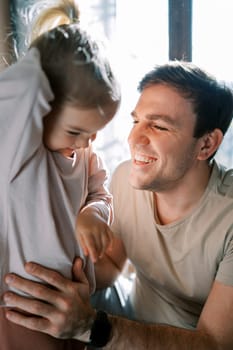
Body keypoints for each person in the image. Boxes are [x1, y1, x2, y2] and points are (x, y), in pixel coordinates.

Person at [3, 61, 233, 349]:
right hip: (131, 312)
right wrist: (64, 273)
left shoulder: (228, 218)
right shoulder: (128, 177)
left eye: (159, 126)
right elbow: (111, 265)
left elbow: (214, 343)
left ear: (207, 144)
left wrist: (90, 325)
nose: (134, 138)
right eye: (136, 121)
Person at [0, 0, 120, 349]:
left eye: (95, 132)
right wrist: (50, 54)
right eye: (75, 131)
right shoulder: (19, 153)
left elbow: (101, 195)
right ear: (41, 108)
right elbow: (16, 91)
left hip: (75, 304)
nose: (85, 143)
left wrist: (92, 213)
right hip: (22, 308)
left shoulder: (85, 155)